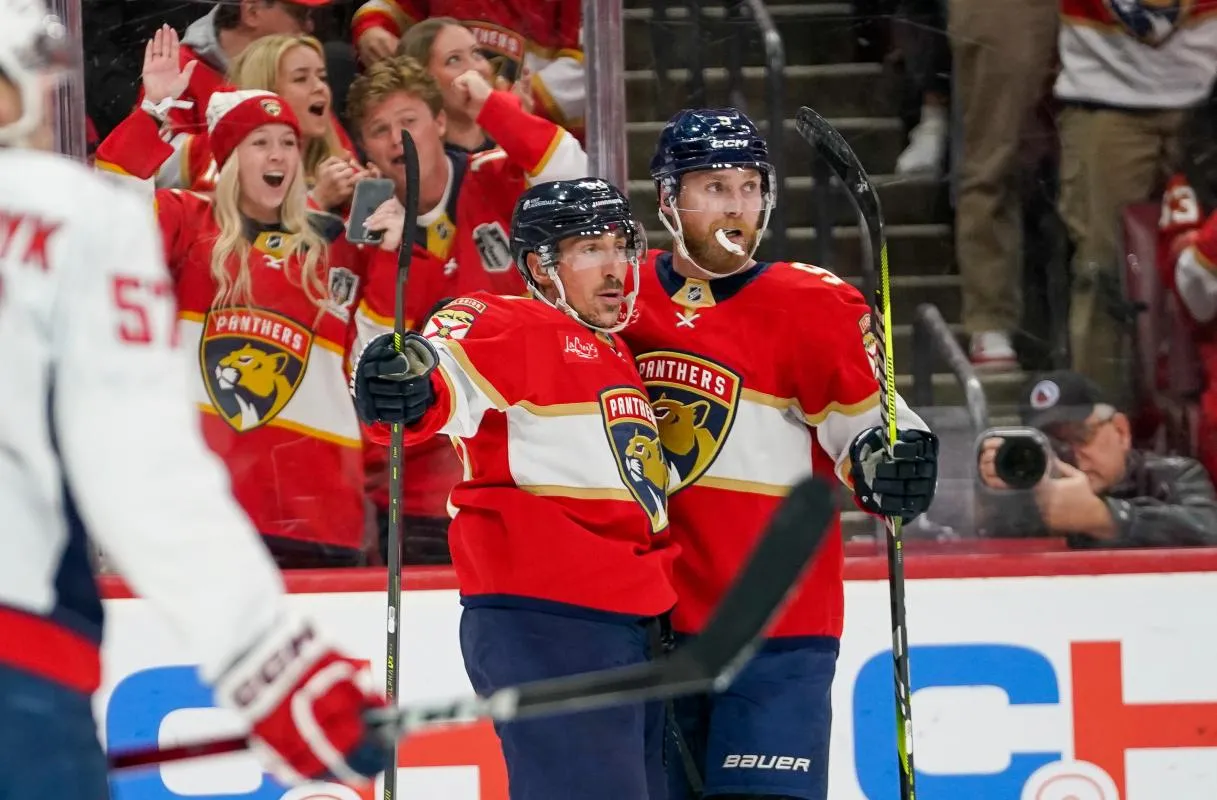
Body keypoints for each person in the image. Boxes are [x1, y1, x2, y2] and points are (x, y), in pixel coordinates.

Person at [0, 2, 387, 797]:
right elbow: (141, 467)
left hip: (318, 516)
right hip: (24, 649)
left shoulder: (328, 249)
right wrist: (270, 665)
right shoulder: (90, 217)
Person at [622, 108, 939, 800]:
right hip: (650, 630)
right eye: (712, 187)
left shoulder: (813, 305)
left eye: (748, 186)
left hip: (779, 630)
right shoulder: (621, 296)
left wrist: (894, 461)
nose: (735, 206)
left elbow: (872, 428)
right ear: (668, 200)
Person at [350, 178, 676, 799]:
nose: (615, 268)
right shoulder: (511, 320)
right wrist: (410, 379)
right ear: (538, 266)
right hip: (551, 621)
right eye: (588, 249)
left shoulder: (618, 353)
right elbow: (443, 368)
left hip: (632, 624)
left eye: (620, 246)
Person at [96, 44, 407, 566]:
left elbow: (377, 355)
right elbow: (111, 210)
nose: (279, 156)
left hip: (320, 509)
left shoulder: (337, 245)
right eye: (259, 142)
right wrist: (152, 112)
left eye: (287, 142)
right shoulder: (187, 223)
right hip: (203, 506)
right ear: (229, 156)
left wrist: (401, 259)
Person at [343, 55, 587, 562]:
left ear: (438, 122)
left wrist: (493, 109)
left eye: (408, 121)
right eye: (379, 130)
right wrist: (395, 264)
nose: (396, 141)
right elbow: (364, 365)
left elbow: (573, 171)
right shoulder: (364, 225)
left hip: (535, 466)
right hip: (424, 494)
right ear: (365, 147)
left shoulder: (496, 178)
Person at [101, 26, 361, 202]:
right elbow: (117, 190)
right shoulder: (205, 154)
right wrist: (154, 107)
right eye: (301, 78)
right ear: (266, 89)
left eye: (322, 77)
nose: (320, 88)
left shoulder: (340, 171)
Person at [978, 371, 1217, 547]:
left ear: (1121, 432)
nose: (1071, 455)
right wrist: (993, 499)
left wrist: (1106, 518)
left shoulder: (1171, 475)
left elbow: (1208, 530)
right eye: (1054, 445)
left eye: (1081, 436)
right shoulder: (1030, 491)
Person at [351, 0, 584, 139]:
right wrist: (373, 28)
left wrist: (510, 107)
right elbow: (388, 9)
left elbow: (594, 65)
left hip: (536, 142)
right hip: (447, 138)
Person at [397, 17, 534, 154]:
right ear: (421, 83)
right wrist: (516, 134)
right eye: (454, 59)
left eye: (476, 53)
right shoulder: (417, 163)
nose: (476, 68)